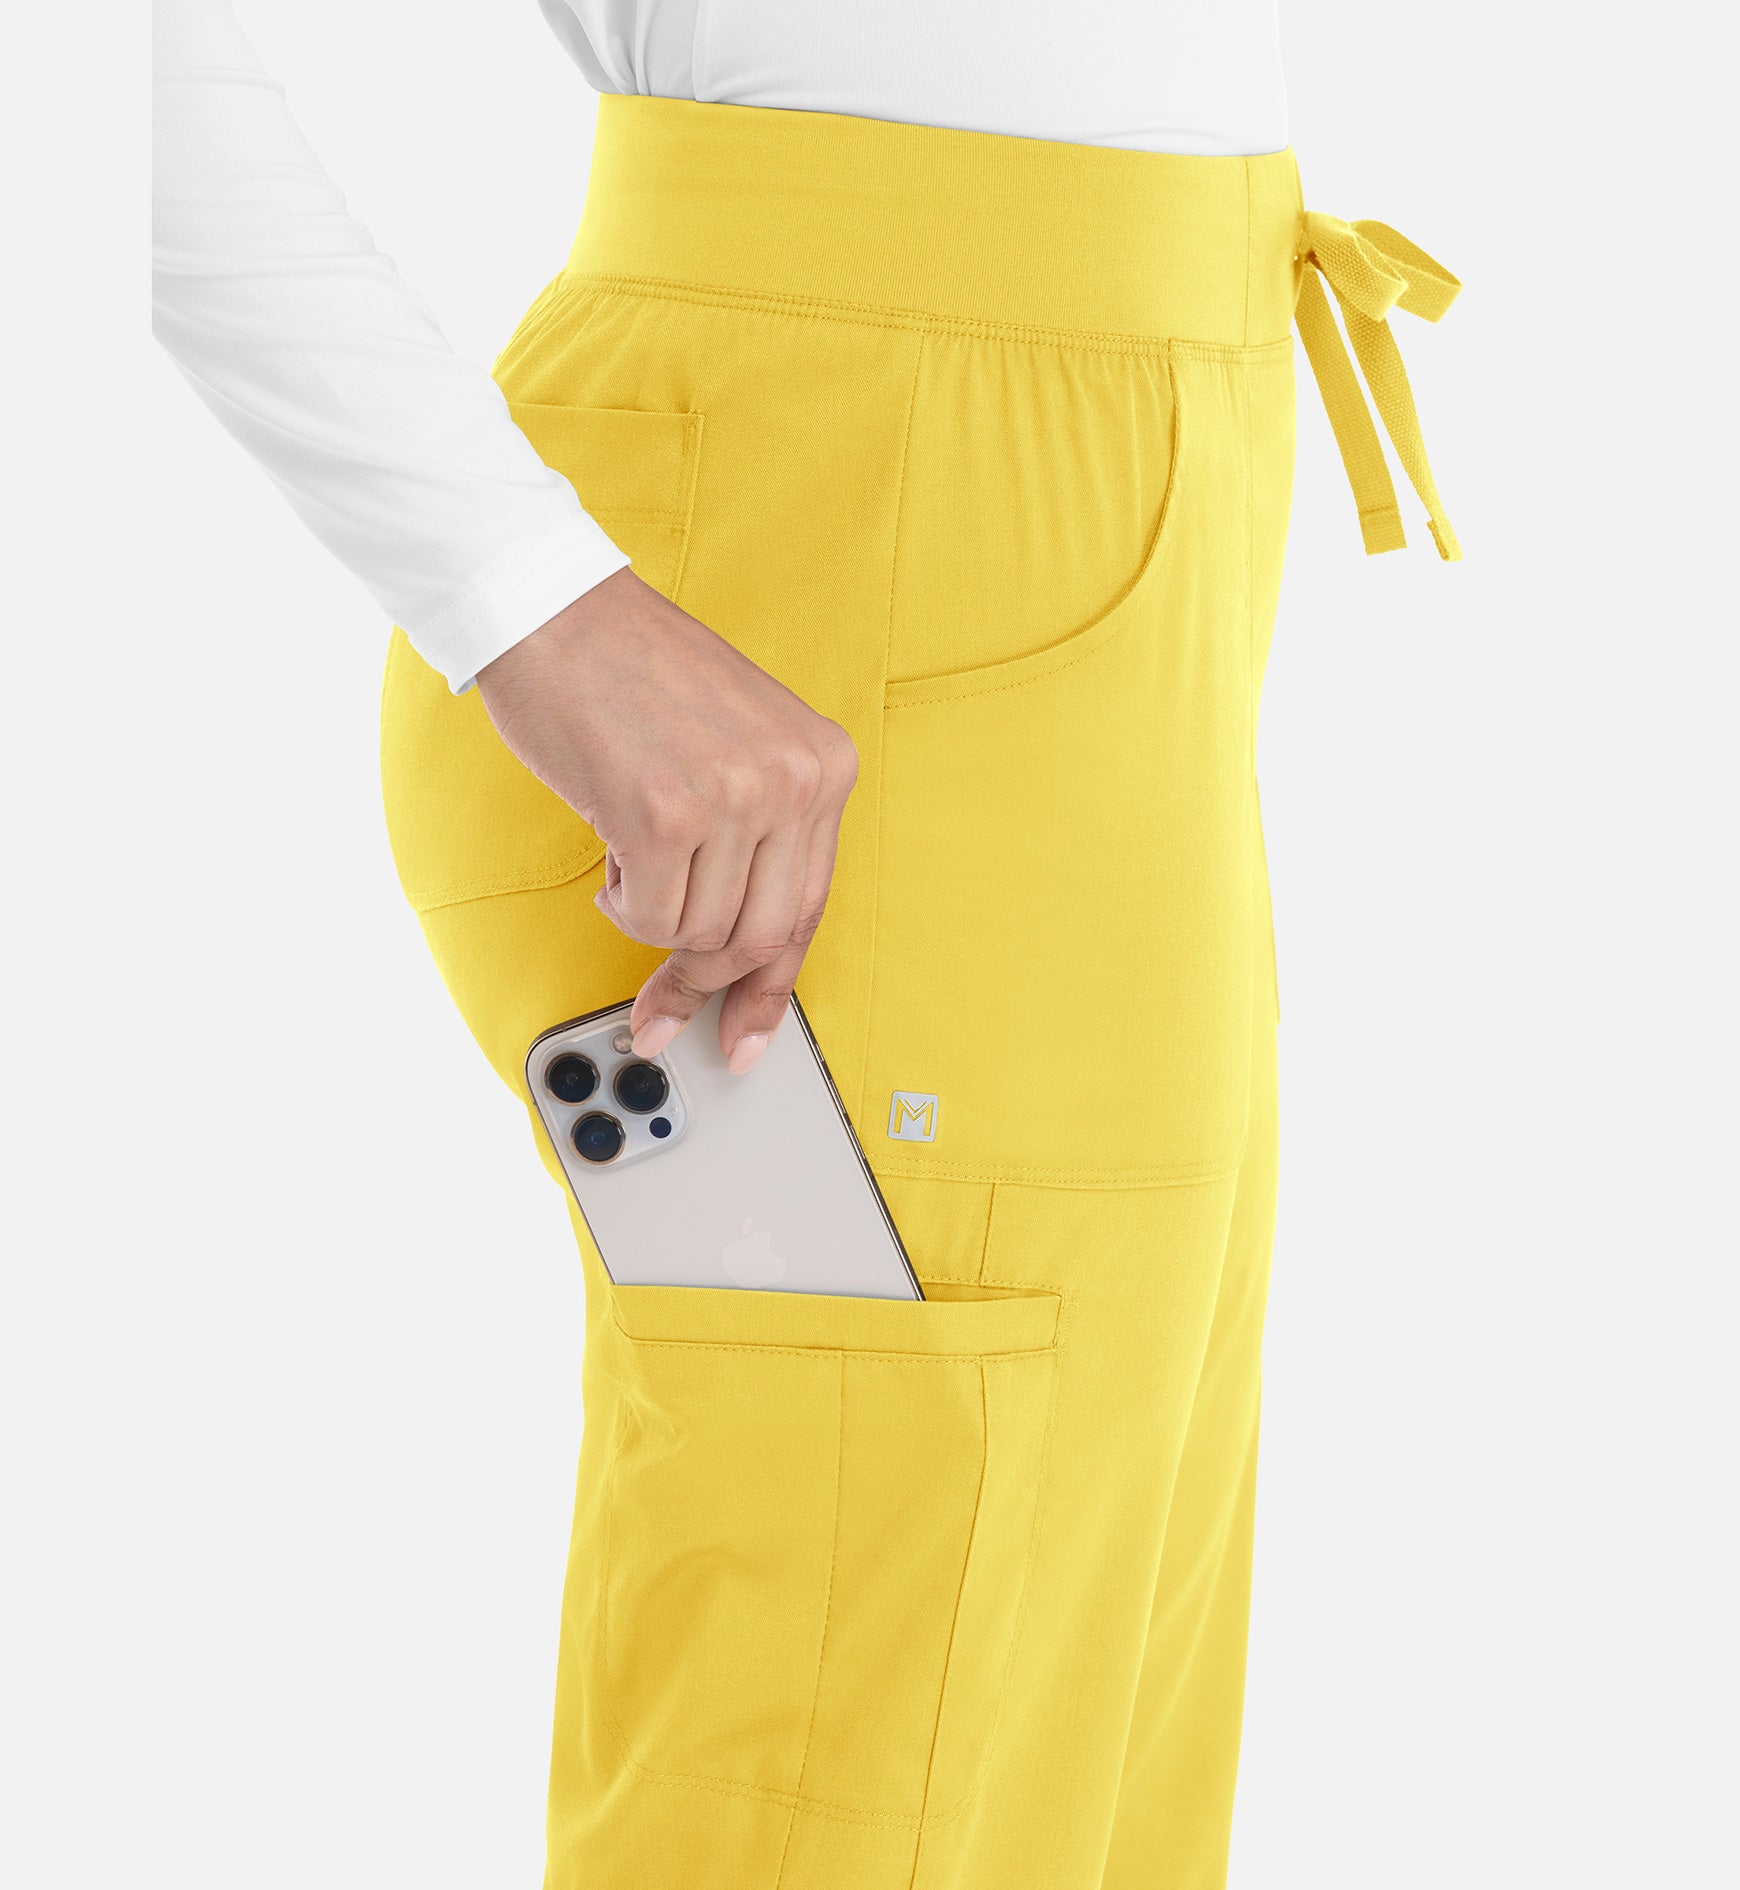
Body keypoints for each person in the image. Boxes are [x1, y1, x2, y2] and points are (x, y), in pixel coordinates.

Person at [153, 3, 1462, 1883]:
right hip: (825, 571)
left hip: (1125, 536)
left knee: (1060, 1754)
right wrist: (520, 594)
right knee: (872, 1737)